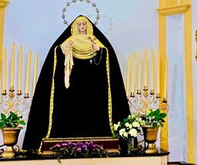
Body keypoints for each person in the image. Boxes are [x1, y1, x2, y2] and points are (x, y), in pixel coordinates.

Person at [22, 15, 130, 152]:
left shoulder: (93, 39)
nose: (82, 27)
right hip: (71, 86)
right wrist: (64, 49)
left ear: (88, 26)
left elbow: (106, 56)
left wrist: (99, 50)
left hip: (92, 85)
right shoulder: (70, 40)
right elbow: (57, 52)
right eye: (79, 25)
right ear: (75, 27)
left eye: (84, 24)